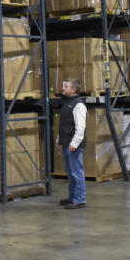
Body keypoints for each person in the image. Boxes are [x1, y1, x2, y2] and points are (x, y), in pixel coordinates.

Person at [58, 78, 86, 209]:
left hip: (74, 145)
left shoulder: (78, 105)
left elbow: (80, 128)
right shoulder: (67, 103)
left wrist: (74, 143)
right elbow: (64, 124)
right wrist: (60, 140)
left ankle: (80, 200)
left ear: (73, 90)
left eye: (66, 86)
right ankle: (72, 197)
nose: (63, 88)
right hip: (66, 143)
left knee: (77, 172)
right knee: (70, 173)